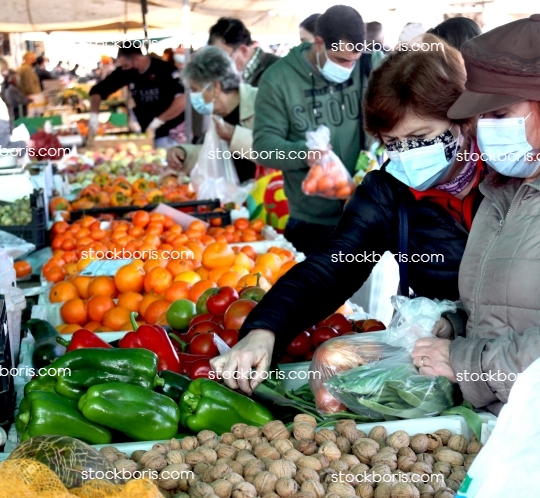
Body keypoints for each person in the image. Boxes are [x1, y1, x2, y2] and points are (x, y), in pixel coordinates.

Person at [210, 35, 487, 394]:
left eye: (419, 137)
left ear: (461, 120)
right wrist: (265, 330)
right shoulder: (389, 191)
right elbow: (332, 266)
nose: (406, 154)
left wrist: (462, 327)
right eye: (392, 143)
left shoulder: (512, 177)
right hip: (440, 369)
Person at [411, 14, 540, 415]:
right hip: (506, 431)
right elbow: (512, 310)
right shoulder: (500, 191)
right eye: (479, 117)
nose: (484, 130)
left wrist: (467, 364)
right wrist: (457, 325)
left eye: (498, 115)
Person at [251, 5, 384, 255]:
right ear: (319, 43)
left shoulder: (370, 64)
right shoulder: (278, 80)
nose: (347, 68)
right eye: (341, 60)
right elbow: (263, 148)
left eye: (353, 61)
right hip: (310, 223)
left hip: (366, 214)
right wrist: (303, 153)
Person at [166, 46, 257, 183]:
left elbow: (282, 154)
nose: (193, 96)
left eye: (195, 89)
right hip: (235, 198)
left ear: (215, 87)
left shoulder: (263, 104)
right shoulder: (217, 115)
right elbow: (214, 154)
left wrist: (234, 136)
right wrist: (184, 154)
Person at [89, 46, 186, 148]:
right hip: (147, 132)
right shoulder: (127, 71)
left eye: (126, 65)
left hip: (172, 132)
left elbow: (183, 100)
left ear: (137, 59)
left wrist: (159, 120)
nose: (123, 69)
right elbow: (97, 91)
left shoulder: (165, 70)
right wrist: (94, 118)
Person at [208, 18, 279, 87]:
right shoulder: (231, 74)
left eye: (223, 59)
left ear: (243, 51)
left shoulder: (278, 70)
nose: (219, 65)